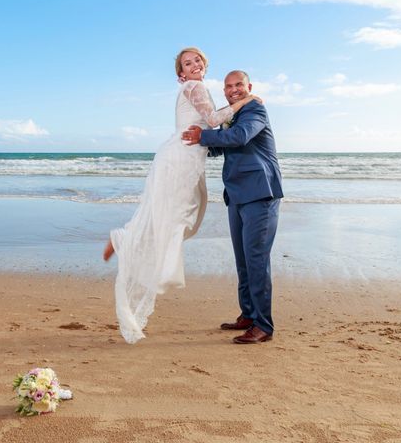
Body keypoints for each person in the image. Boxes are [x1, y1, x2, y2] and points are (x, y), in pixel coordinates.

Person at [104, 48, 259, 344]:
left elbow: (211, 126)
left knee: (181, 215)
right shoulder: (195, 87)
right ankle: (126, 239)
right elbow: (213, 120)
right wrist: (247, 100)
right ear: (181, 75)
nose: (194, 65)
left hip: (184, 156)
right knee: (177, 217)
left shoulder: (197, 87)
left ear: (204, 64)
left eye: (197, 60)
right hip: (181, 158)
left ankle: (130, 240)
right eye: (188, 63)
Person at [182, 70, 283, 344]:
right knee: (243, 261)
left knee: (256, 261)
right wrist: (194, 140)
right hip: (237, 195)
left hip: (260, 195)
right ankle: (248, 315)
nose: (234, 90)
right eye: (228, 87)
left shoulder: (254, 111)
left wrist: (205, 136)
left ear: (248, 86)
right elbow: (221, 146)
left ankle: (263, 326)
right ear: (224, 91)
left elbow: (239, 137)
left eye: (239, 85)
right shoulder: (233, 115)